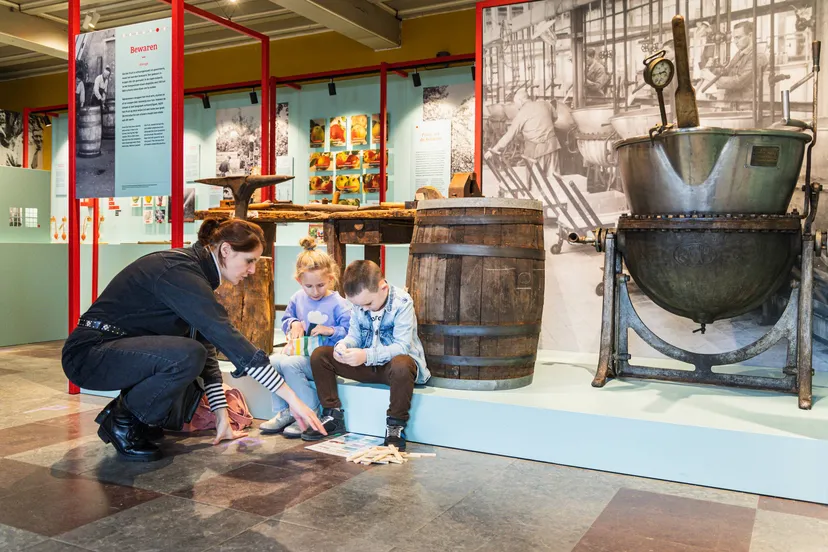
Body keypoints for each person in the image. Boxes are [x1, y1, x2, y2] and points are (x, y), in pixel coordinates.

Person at [61, 219, 326, 462]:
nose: (253, 270)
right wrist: (293, 400)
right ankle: (123, 421)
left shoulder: (194, 273)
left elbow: (207, 345)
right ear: (225, 250)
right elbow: (226, 338)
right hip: (89, 355)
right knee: (186, 355)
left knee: (192, 352)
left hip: (112, 351)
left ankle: (135, 419)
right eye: (249, 260)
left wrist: (222, 416)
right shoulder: (179, 271)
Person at [304, 261, 430, 451]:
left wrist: (366, 356)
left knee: (403, 364)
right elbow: (354, 335)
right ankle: (332, 415)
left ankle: (395, 426)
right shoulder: (359, 304)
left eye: (369, 303)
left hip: (392, 369)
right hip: (366, 364)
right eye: (358, 305)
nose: (365, 308)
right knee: (320, 355)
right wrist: (343, 346)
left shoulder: (402, 303)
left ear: (383, 287)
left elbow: (402, 346)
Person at [260, 237, 351, 438]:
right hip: (301, 353)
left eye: (320, 285)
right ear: (299, 281)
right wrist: (292, 324)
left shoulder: (339, 303)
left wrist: (331, 331)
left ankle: (310, 410)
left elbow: (351, 332)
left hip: (325, 361)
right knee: (272, 361)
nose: (315, 291)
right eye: (308, 286)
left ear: (330, 279)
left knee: (291, 364)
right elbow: (286, 319)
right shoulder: (297, 298)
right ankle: (285, 411)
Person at [484, 88, 561, 175]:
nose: (516, 106)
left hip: (536, 151)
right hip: (553, 146)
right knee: (555, 180)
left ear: (521, 100)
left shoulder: (522, 113)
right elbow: (555, 117)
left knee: (537, 181)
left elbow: (509, 135)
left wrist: (494, 149)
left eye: (516, 103)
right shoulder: (545, 104)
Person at [712, 21, 768, 102]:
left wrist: (713, 79)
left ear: (750, 35)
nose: (735, 42)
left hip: (746, 105)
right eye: (734, 38)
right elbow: (728, 72)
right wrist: (715, 70)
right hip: (732, 102)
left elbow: (739, 81)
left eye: (738, 37)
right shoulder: (740, 53)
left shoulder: (758, 55)